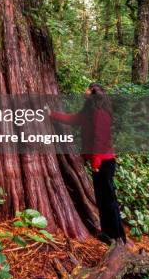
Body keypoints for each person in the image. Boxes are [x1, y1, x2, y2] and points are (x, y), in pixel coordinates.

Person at [46, 83, 126, 244]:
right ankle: (108, 233)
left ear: (94, 95)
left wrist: (95, 163)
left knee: (108, 199)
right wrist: (52, 114)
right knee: (102, 199)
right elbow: (73, 119)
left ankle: (118, 236)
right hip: (98, 163)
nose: (85, 92)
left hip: (105, 162)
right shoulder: (89, 112)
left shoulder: (101, 113)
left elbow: (100, 140)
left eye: (88, 90)